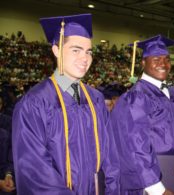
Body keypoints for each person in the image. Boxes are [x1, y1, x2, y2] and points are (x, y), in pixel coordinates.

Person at [12, 14, 119, 195]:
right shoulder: (34, 103)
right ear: (56, 50)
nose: (85, 58)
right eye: (76, 50)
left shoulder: (96, 99)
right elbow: (35, 171)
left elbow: (111, 157)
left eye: (89, 52)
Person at [111, 34, 174, 195]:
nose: (163, 64)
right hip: (151, 184)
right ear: (143, 63)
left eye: (167, 59)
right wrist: (157, 189)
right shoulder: (135, 98)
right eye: (156, 59)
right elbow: (134, 146)